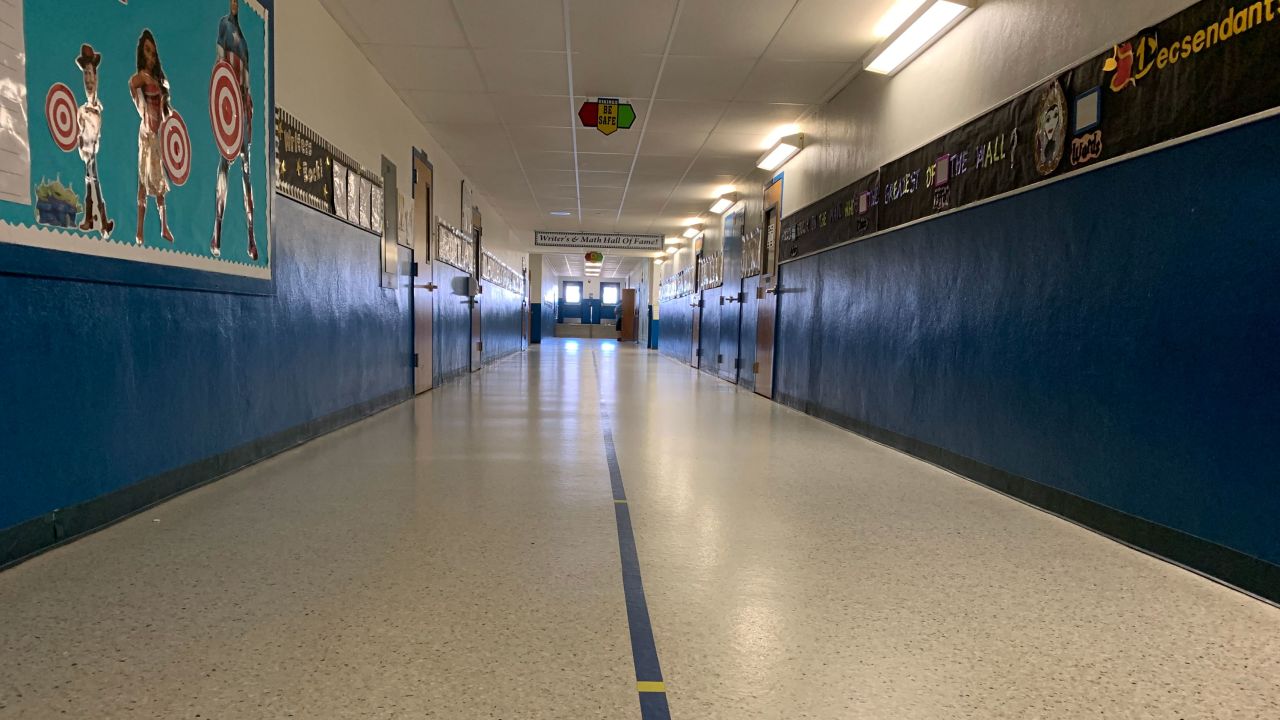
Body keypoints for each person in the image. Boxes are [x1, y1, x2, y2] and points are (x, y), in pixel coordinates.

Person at [210, 0, 258, 261]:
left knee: (247, 172)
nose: (235, 4)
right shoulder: (224, 25)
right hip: (228, 107)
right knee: (225, 164)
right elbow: (220, 63)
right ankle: (217, 229)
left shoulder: (246, 43)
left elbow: (247, 82)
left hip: (241, 107)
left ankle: (251, 235)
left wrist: (246, 106)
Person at [128, 30, 173, 245]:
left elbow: (166, 112)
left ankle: (164, 226)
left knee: (159, 181)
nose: (151, 56)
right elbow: (132, 84)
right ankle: (139, 230)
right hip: (147, 133)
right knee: (143, 180)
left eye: (153, 53)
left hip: (158, 134)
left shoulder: (158, 79)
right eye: (147, 51)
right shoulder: (142, 78)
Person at [75, 44, 113, 237]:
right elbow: (79, 135)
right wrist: (83, 146)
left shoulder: (99, 109)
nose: (88, 79)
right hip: (87, 154)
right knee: (92, 183)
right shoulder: (81, 111)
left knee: (92, 184)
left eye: (90, 74)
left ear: (96, 77)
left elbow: (97, 132)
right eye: (85, 75)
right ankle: (100, 222)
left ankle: (95, 221)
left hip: (94, 151)